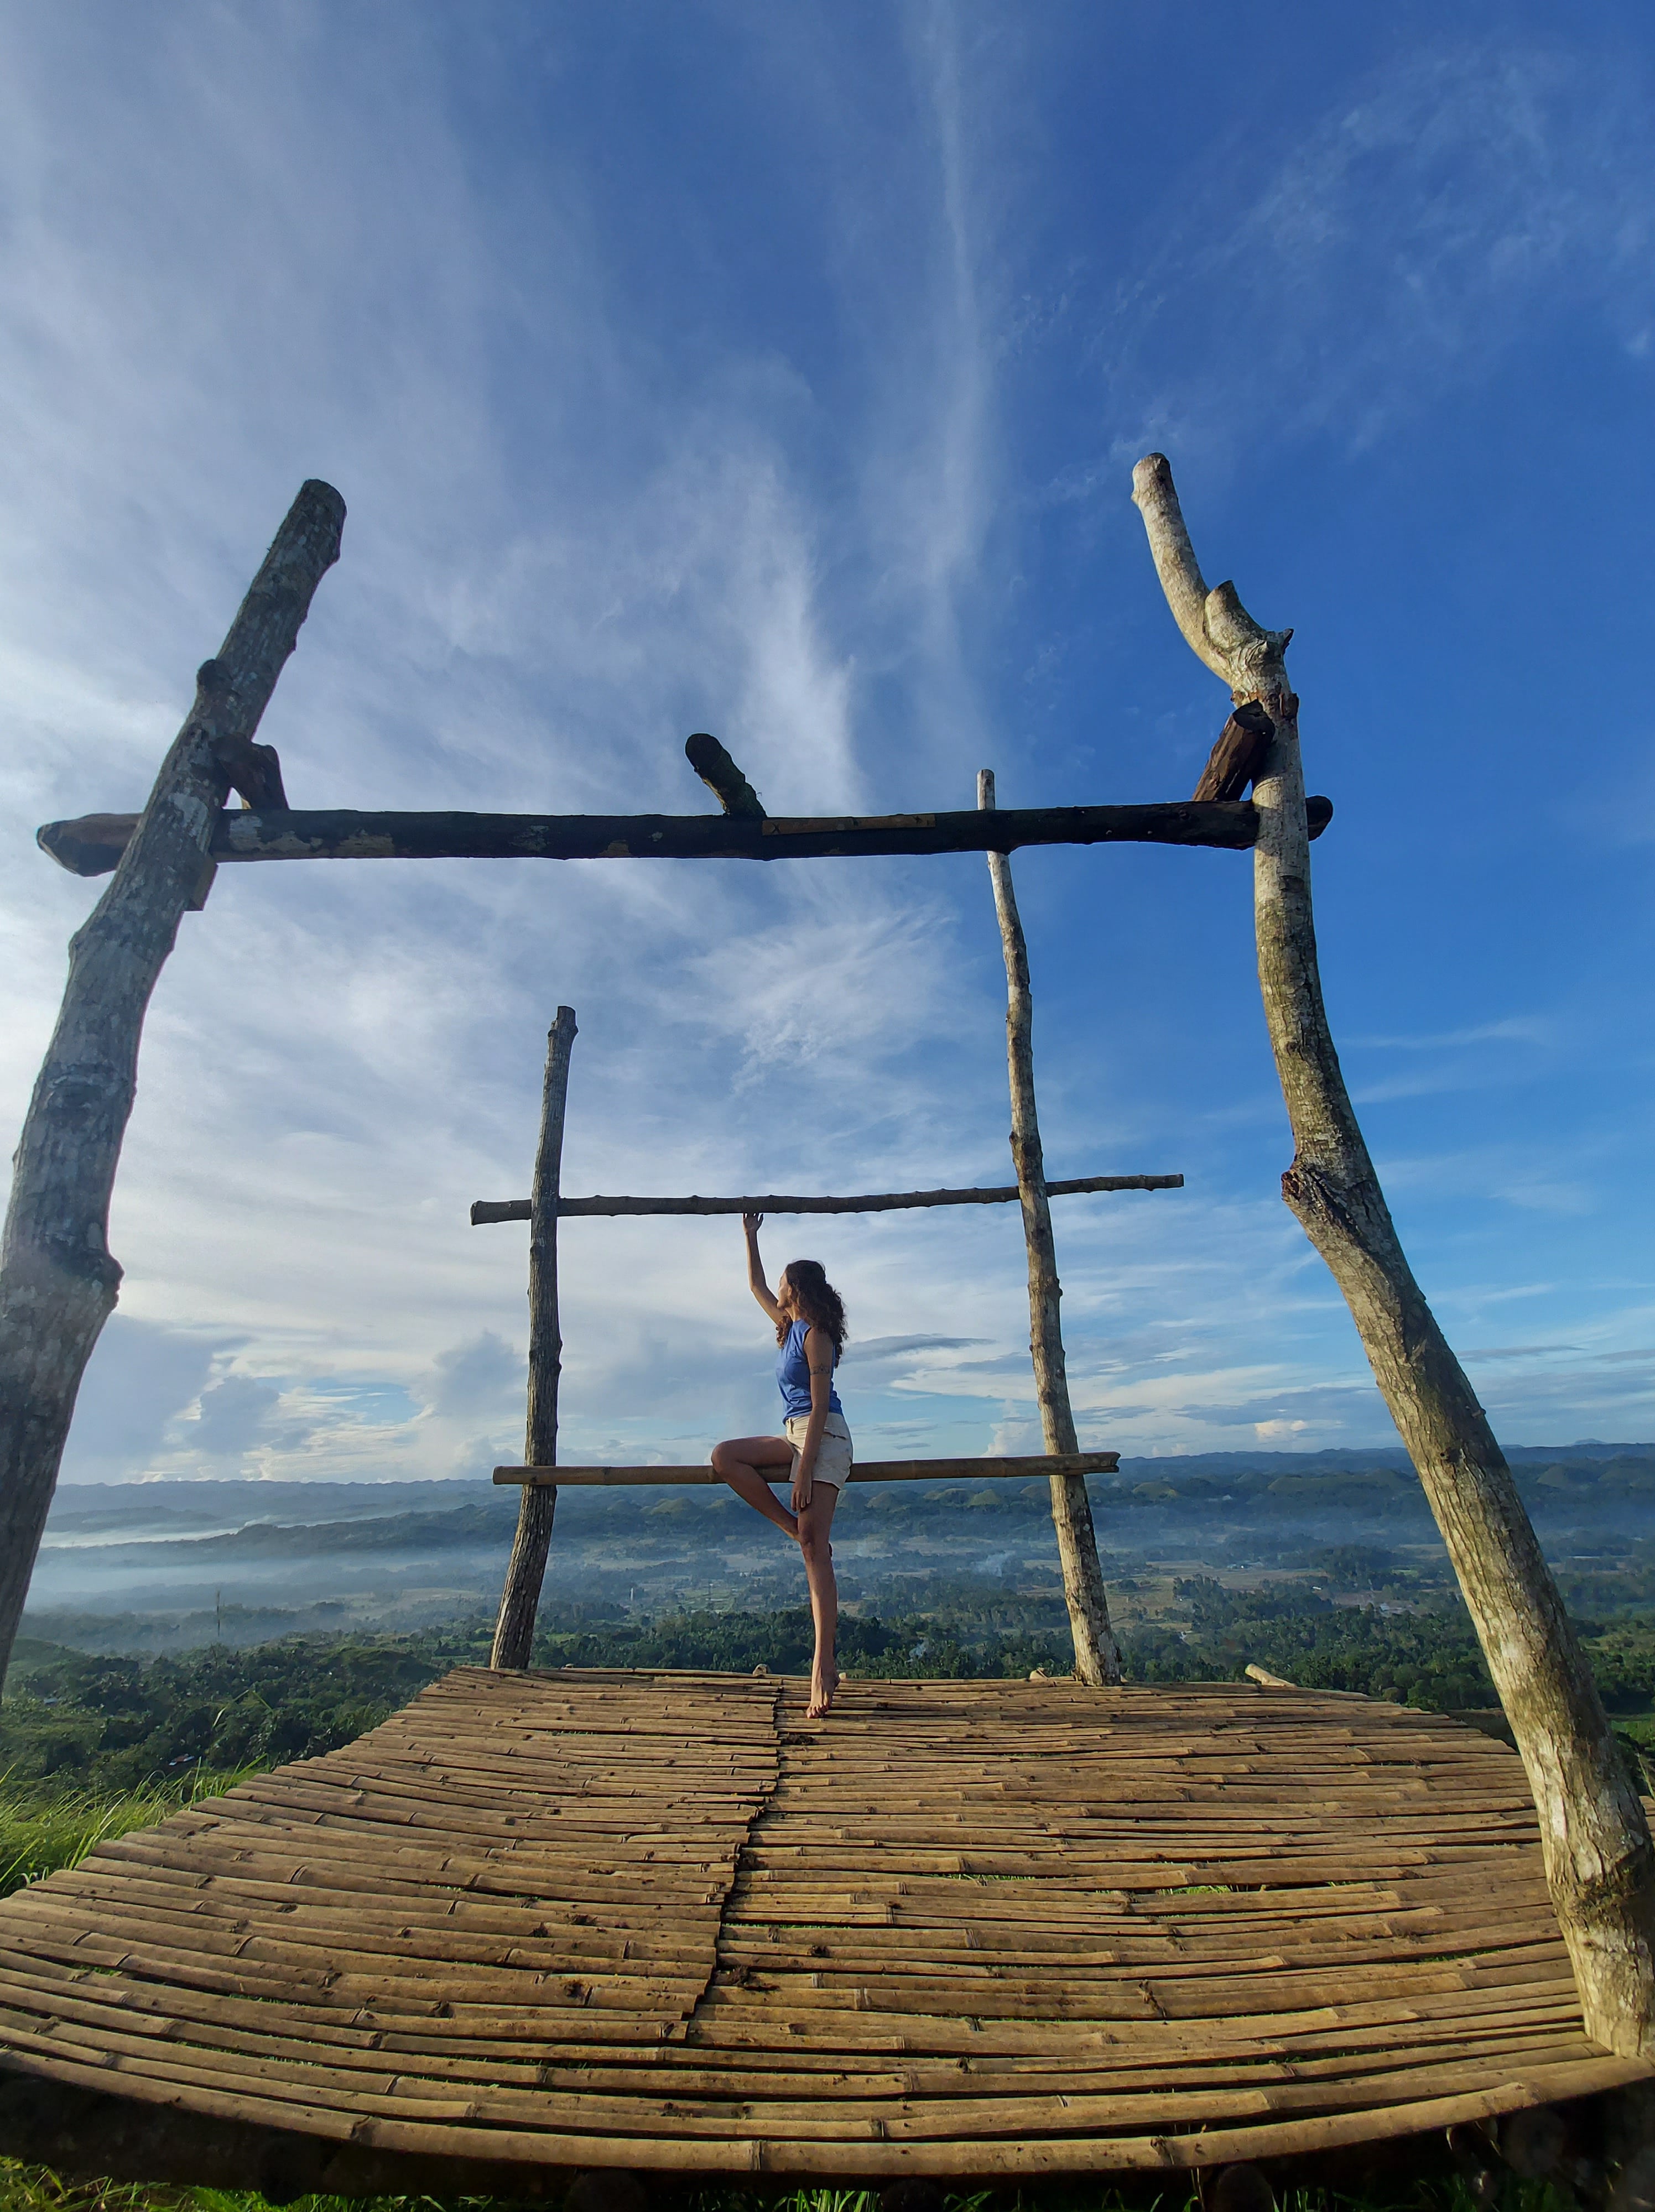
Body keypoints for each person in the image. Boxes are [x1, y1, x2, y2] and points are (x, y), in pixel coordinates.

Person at [710, 1214, 852, 1718]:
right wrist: (750, 1237)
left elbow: (818, 1406)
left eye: (783, 1282)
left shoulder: (816, 1336)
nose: (776, 1287)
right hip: (795, 1434)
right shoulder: (788, 1326)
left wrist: (805, 1469)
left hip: (824, 1436)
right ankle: (793, 1529)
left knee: (817, 1552)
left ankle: (823, 1665)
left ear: (796, 1288)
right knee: (726, 1457)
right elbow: (752, 1283)